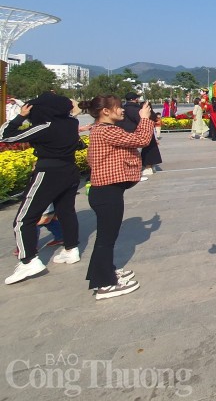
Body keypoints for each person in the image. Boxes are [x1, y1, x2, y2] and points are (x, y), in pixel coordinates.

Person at [1, 92, 84, 285]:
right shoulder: (71, 123)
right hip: (70, 170)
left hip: (48, 172)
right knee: (66, 212)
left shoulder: (44, 127)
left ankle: (28, 260)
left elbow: (5, 136)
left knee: (24, 219)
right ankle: (71, 249)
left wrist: (20, 116)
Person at [79, 95, 151, 299]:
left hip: (106, 191)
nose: (122, 111)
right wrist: (144, 118)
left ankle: (105, 271)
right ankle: (103, 284)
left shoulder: (99, 129)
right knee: (105, 240)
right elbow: (142, 140)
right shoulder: (106, 131)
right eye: (118, 108)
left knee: (106, 238)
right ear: (106, 112)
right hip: (106, 192)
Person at [120, 92, 160, 178]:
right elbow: (142, 120)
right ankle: (149, 166)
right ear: (136, 99)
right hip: (138, 130)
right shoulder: (137, 109)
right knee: (149, 145)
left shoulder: (123, 108)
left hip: (125, 131)